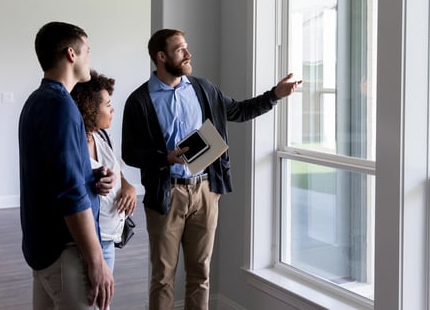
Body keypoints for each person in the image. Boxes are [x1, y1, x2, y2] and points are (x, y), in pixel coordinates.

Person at [121, 28, 301, 310]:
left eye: (186, 47)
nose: (188, 53)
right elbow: (130, 153)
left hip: (206, 192)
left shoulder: (203, 89)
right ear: (161, 56)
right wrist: (166, 158)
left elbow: (239, 111)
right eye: (180, 49)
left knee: (201, 274)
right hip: (166, 195)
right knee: (162, 278)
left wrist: (275, 94)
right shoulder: (140, 100)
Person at [18, 21, 114, 310]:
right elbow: (70, 193)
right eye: (88, 51)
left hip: (42, 249)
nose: (89, 59)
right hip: (66, 252)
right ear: (72, 54)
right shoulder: (61, 106)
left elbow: (51, 172)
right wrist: (96, 259)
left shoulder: (37, 100)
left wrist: (92, 174)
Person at [71, 70, 137, 271]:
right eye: (107, 105)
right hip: (89, 243)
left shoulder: (102, 136)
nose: (112, 110)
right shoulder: (74, 144)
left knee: (104, 302)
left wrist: (128, 186)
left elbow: (117, 171)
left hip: (110, 239)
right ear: (90, 109)